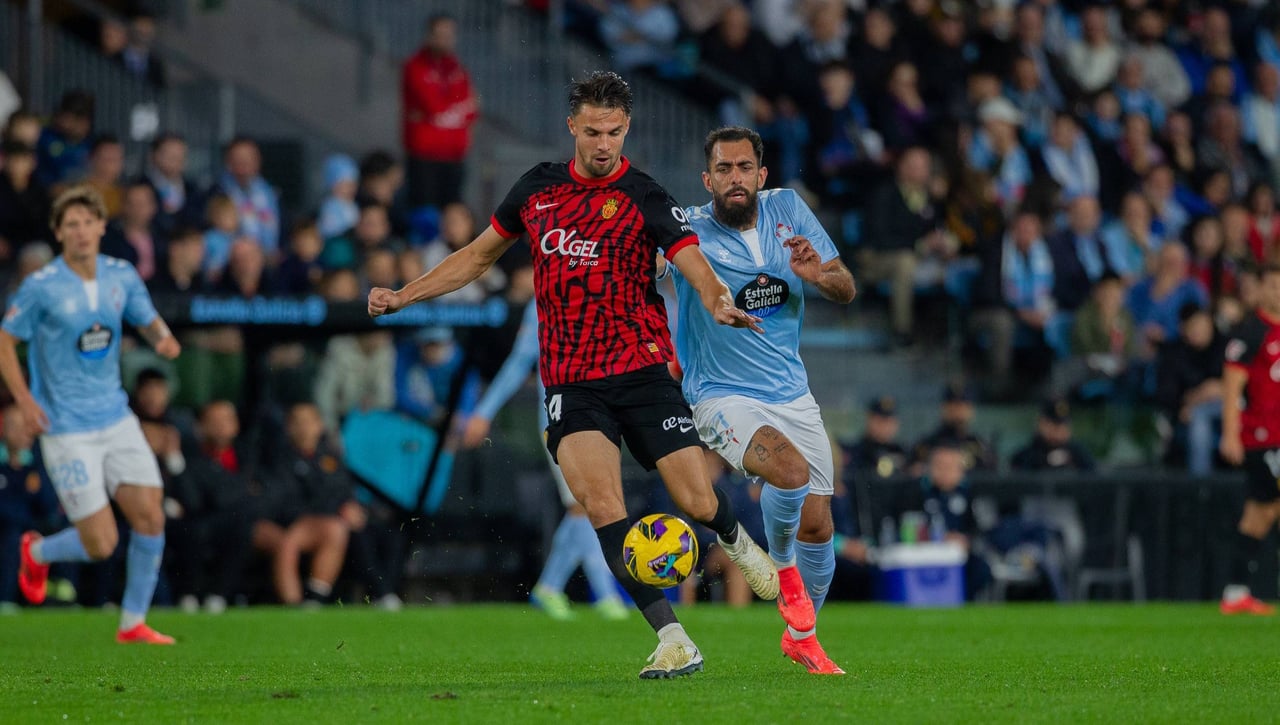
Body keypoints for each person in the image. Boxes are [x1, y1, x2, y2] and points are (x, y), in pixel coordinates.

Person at [368, 71, 777, 679]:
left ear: (626, 128)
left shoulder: (644, 194)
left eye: (613, 131)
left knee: (695, 498)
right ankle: (671, 636)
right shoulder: (537, 190)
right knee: (601, 503)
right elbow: (477, 257)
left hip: (641, 371)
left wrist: (717, 298)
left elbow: (690, 260)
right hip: (570, 382)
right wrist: (407, 295)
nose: (603, 142)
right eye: (592, 131)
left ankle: (736, 539)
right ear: (572, 127)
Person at [666, 126, 856, 675]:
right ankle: (784, 579)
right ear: (708, 180)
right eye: (723, 170)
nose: (734, 179)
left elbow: (846, 286)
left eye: (743, 168)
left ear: (761, 175)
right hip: (719, 395)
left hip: (792, 392)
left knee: (819, 526)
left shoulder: (790, 210)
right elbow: (651, 269)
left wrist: (818, 273)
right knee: (790, 472)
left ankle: (803, 634)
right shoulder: (689, 230)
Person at [1, 185, 181, 643]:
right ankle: (38, 552)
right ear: (59, 233)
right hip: (66, 428)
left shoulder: (121, 274)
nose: (81, 231)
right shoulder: (41, 287)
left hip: (116, 418)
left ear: (103, 226)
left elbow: (146, 315)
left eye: (88, 222)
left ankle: (133, 623)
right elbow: (4, 341)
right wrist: (23, 399)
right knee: (102, 544)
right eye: (71, 224)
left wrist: (162, 337)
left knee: (151, 517)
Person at [461, 301, 629, 621]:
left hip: (604, 419)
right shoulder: (543, 300)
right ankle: (607, 595)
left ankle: (550, 586)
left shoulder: (604, 291)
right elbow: (520, 361)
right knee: (586, 505)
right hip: (560, 422)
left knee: (598, 504)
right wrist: (484, 412)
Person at [1219, 263, 1280, 615]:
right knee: (1263, 512)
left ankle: (1235, 592)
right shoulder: (1251, 331)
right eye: (1271, 285)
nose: (1276, 292)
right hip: (1261, 437)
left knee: (1259, 516)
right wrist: (1230, 434)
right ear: (1260, 288)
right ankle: (1236, 592)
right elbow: (1232, 386)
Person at [401, 13, 478, 210]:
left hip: (454, 156)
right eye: (440, 34)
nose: (446, 40)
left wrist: (443, 115)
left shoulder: (457, 68)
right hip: (425, 157)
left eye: (450, 34)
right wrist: (455, 112)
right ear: (429, 36)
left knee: (453, 214)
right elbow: (434, 107)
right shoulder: (415, 67)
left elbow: (472, 110)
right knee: (425, 215)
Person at [1009, 399, 1096, 472]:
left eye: (1063, 425)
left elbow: (1094, 481)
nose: (1059, 430)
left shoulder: (1080, 454)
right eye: (1053, 425)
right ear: (1041, 424)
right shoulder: (1024, 456)